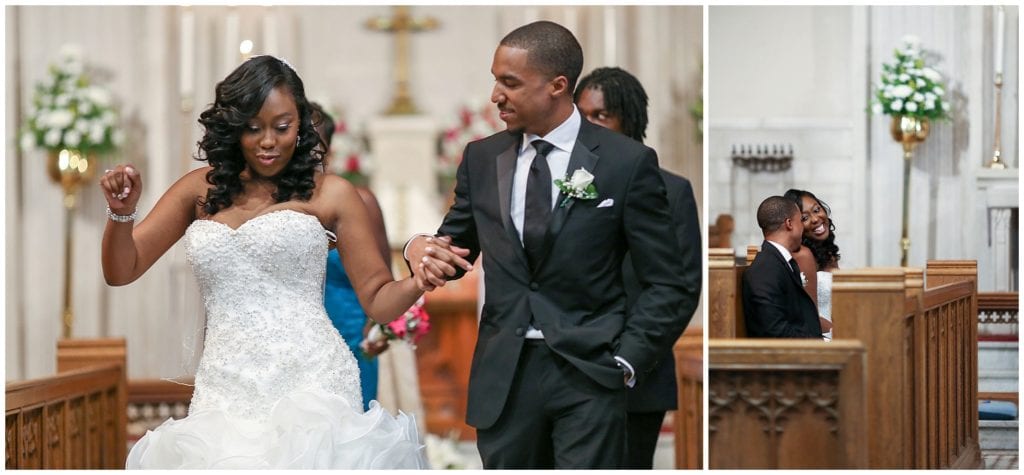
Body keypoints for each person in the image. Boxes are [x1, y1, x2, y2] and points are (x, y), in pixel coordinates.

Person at [100, 55, 428, 469]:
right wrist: (121, 213)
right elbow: (121, 270)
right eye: (253, 128)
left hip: (312, 381)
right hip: (224, 384)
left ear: (301, 123)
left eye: (282, 126)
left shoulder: (332, 194)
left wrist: (418, 280)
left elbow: (379, 300)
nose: (268, 141)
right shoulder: (197, 190)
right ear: (233, 127)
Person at [405, 21, 693, 469]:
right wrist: (417, 249)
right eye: (495, 80)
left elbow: (667, 283)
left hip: (591, 373)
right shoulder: (482, 158)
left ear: (558, 86)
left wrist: (627, 360)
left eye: (510, 83)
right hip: (507, 375)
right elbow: (453, 251)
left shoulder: (625, 162)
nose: (496, 95)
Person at [574, 66, 701, 469]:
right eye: (581, 115)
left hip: (633, 376)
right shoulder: (563, 183)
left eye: (600, 115)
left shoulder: (671, 190)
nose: (588, 125)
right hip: (567, 371)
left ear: (629, 119)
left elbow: (678, 288)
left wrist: (627, 360)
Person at [311, 102, 390, 411]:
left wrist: (378, 330)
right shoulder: (278, 205)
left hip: (352, 335)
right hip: (295, 339)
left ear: (328, 150)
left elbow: (384, 277)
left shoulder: (360, 201)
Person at [742, 196, 822, 338]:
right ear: (789, 224)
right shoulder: (764, 269)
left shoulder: (778, 261)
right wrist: (817, 346)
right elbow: (775, 330)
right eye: (800, 221)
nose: (803, 227)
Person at [785, 188, 841, 339]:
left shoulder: (828, 253)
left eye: (817, 210)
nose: (816, 219)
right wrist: (844, 330)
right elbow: (808, 315)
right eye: (805, 218)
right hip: (820, 335)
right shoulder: (802, 256)